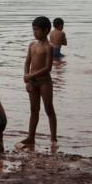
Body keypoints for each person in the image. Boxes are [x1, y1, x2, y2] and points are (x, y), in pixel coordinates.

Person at [18, 16, 56, 149]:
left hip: (45, 82)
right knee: (34, 110)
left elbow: (47, 68)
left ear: (46, 30)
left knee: (49, 109)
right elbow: (27, 62)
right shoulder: (32, 45)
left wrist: (30, 76)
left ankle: (53, 139)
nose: (34, 32)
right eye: (33, 30)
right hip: (32, 83)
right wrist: (26, 77)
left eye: (37, 30)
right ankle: (31, 137)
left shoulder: (48, 47)